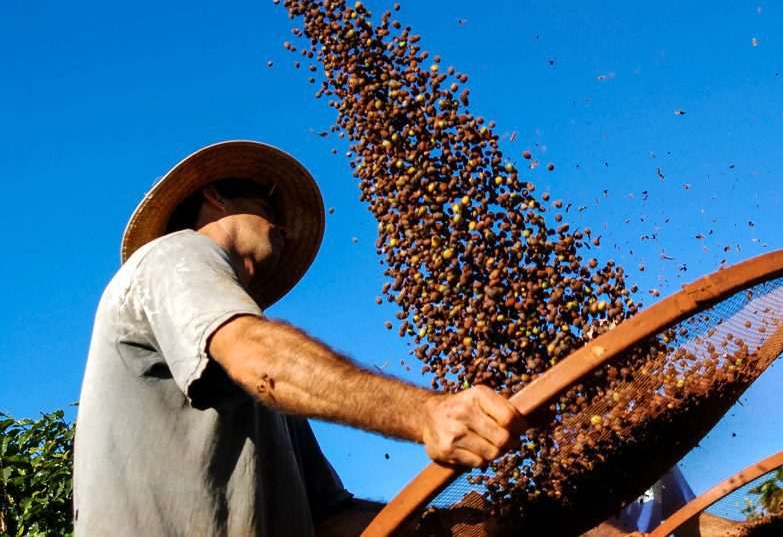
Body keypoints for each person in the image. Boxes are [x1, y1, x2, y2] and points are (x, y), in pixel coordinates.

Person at [73, 140, 521, 536]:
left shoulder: (270, 395)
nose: (283, 228)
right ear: (215, 197)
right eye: (269, 211)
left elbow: (326, 519)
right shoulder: (172, 255)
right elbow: (260, 357)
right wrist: (428, 412)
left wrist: (439, 529)